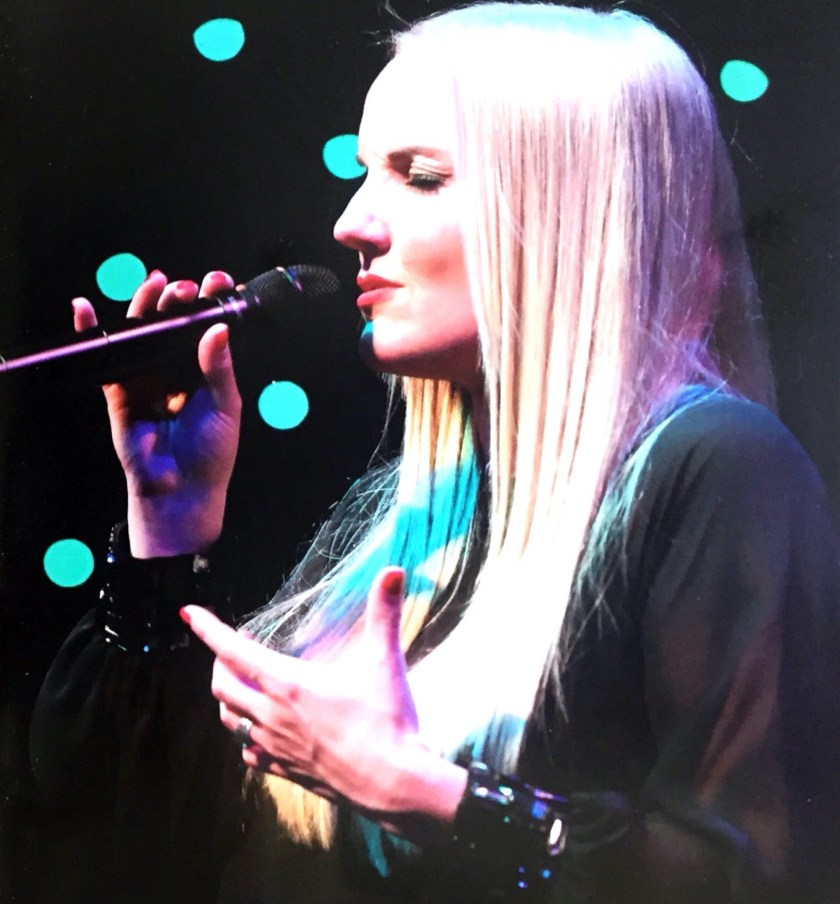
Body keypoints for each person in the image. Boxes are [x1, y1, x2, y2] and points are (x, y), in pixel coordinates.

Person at [28, 3, 840, 902]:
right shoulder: (397, 516)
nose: (349, 223)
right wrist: (168, 519)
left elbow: (760, 876)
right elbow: (141, 836)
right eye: (367, 171)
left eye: (419, 176)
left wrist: (423, 796)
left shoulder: (717, 469)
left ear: (567, 210)